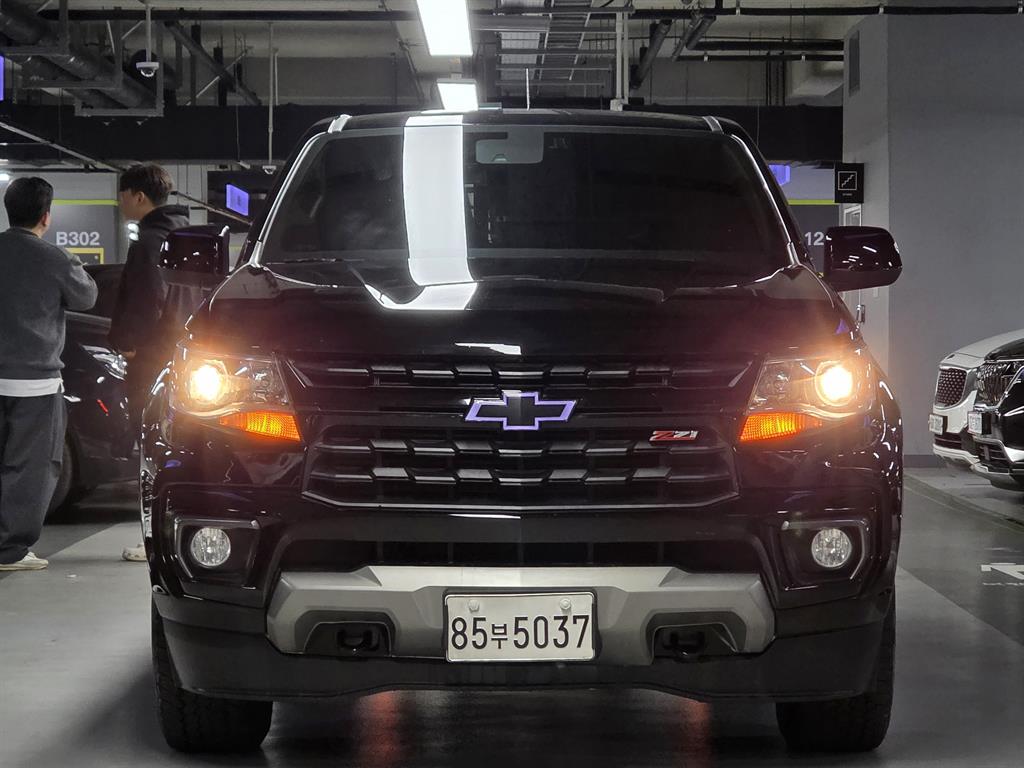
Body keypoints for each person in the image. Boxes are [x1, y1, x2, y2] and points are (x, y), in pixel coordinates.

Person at [0, 177, 97, 572]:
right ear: (46, 216)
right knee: (32, 468)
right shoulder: (54, 258)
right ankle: (9, 551)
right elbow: (87, 297)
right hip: (35, 383)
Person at [108, 164, 191, 562]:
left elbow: (146, 301)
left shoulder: (147, 243)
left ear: (138, 196)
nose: (120, 202)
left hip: (152, 361)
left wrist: (129, 344)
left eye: (122, 195)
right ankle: (175, 535)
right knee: (181, 448)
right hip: (184, 360)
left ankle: (152, 539)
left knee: (152, 452)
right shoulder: (186, 238)